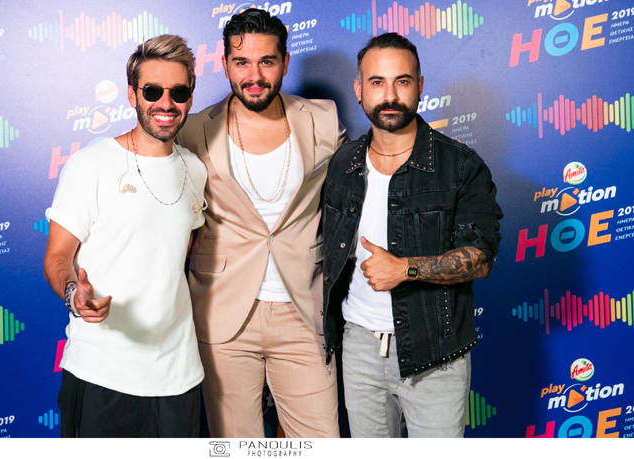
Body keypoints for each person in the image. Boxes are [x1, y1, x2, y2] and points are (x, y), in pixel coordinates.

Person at [321, 33, 503, 438]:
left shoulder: (460, 166)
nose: (390, 96)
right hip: (359, 347)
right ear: (359, 89)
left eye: (402, 81)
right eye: (377, 82)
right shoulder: (344, 163)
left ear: (420, 86)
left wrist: (405, 269)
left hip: (435, 352)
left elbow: (480, 257)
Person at [177, 8, 345, 437]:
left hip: (303, 309)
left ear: (285, 62)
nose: (254, 75)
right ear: (224, 64)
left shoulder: (323, 118)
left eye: (267, 61)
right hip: (222, 313)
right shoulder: (194, 131)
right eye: (242, 62)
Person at [42, 34, 207, 437]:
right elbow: (57, 257)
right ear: (132, 94)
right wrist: (74, 295)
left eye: (178, 92)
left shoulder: (195, 169)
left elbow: (179, 254)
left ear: (189, 97)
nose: (165, 103)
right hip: (102, 373)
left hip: (179, 376)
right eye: (152, 91)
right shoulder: (90, 165)